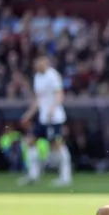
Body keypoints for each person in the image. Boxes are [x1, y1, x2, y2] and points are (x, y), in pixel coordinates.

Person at [19, 55, 72, 187]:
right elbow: (38, 99)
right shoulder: (37, 77)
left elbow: (60, 94)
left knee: (57, 145)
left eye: (40, 63)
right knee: (30, 141)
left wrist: (53, 109)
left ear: (46, 63)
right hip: (43, 118)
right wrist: (29, 114)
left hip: (55, 118)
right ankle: (33, 175)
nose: (38, 66)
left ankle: (65, 177)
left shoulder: (53, 76)